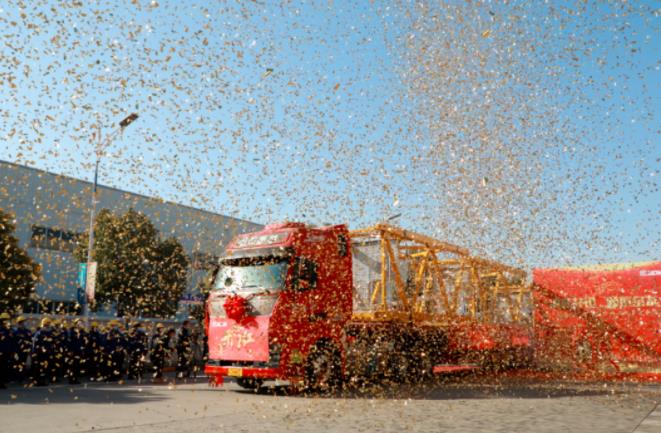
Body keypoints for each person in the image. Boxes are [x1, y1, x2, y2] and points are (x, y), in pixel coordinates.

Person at [32, 317, 55, 386]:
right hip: (39, 353)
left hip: (47, 353)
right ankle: (37, 381)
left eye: (49, 324)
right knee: (38, 367)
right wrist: (34, 352)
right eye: (47, 324)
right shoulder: (39, 333)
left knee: (45, 367)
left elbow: (51, 343)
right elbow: (34, 343)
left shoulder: (49, 333)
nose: (48, 326)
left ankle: (42, 380)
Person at [66, 319, 87, 384]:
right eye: (79, 323)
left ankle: (75, 379)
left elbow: (83, 341)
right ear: (76, 324)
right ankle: (71, 379)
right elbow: (69, 342)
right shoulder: (71, 331)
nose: (80, 324)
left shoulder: (81, 332)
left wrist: (83, 348)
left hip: (78, 351)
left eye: (81, 323)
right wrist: (70, 350)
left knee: (77, 365)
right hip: (72, 351)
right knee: (71, 365)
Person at [12, 316, 33, 382]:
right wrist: (14, 351)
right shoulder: (15, 332)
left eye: (24, 322)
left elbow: (30, 341)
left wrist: (30, 349)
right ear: (19, 323)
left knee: (23, 363)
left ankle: (22, 377)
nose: (24, 323)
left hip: (25, 350)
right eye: (22, 322)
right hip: (18, 351)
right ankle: (17, 378)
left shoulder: (27, 331)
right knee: (17, 363)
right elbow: (13, 342)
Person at [0, 313, 15, 389]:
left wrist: (12, 351)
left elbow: (12, 341)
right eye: (5, 320)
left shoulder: (9, 330)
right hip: (1, 352)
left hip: (7, 352)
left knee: (5, 367)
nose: (7, 321)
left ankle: (2, 382)